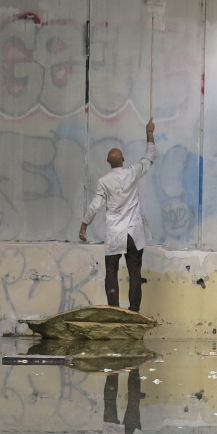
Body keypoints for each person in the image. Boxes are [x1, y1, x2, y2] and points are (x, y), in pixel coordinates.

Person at [78, 120, 157, 312]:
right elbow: (150, 156)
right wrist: (149, 133)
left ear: (108, 163)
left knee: (111, 272)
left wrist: (84, 225)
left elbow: (95, 206)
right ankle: (134, 309)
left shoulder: (104, 181)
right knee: (135, 272)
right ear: (123, 159)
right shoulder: (132, 173)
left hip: (115, 234)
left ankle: (114, 309)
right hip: (133, 232)